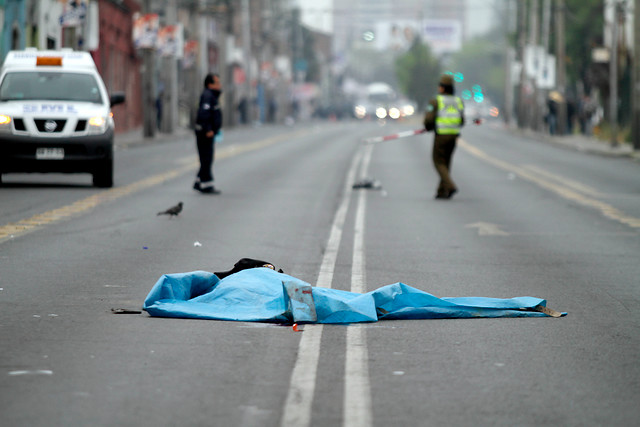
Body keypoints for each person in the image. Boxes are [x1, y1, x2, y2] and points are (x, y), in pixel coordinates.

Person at [423, 74, 465, 199]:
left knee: (438, 162)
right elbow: (462, 120)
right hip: (453, 136)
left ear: (442, 88)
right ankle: (442, 191)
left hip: (441, 135)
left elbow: (429, 119)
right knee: (446, 162)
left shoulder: (436, 101)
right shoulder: (458, 101)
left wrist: (428, 127)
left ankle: (450, 185)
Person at [193, 73, 223, 194]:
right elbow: (203, 114)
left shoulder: (212, 96)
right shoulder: (207, 96)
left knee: (207, 159)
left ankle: (199, 182)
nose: (220, 85)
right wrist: (208, 129)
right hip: (204, 133)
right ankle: (205, 185)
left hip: (209, 133)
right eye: (217, 83)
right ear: (210, 84)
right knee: (206, 159)